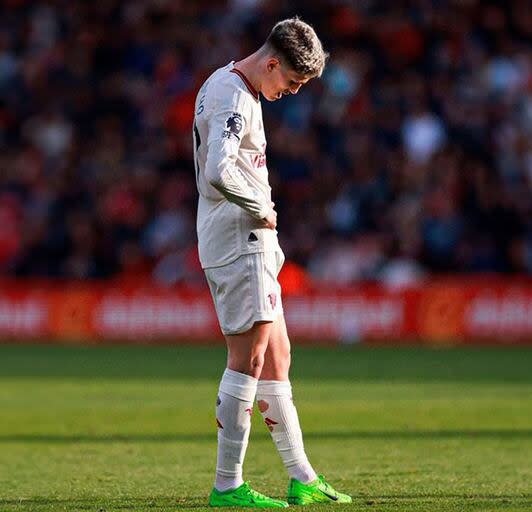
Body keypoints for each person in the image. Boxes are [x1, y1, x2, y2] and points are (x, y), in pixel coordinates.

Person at [192, 17, 352, 508]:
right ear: (272, 62)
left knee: (278, 356)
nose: (292, 92)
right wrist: (259, 207)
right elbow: (219, 171)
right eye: (292, 82)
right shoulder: (236, 96)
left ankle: (302, 476)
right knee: (249, 359)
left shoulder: (226, 84)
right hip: (240, 242)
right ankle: (227, 485)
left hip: (249, 245)